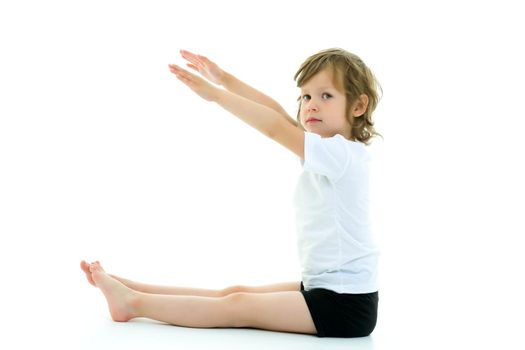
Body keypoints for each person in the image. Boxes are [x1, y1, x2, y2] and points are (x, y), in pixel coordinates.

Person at [81, 47, 382, 338]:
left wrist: (215, 95)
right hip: (324, 289)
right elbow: (276, 111)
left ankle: (131, 303)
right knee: (234, 293)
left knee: (237, 307)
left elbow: (275, 126)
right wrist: (223, 78)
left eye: (325, 96)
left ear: (358, 106)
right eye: (305, 96)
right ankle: (133, 288)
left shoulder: (343, 155)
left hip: (345, 306)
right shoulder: (328, 151)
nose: (310, 105)